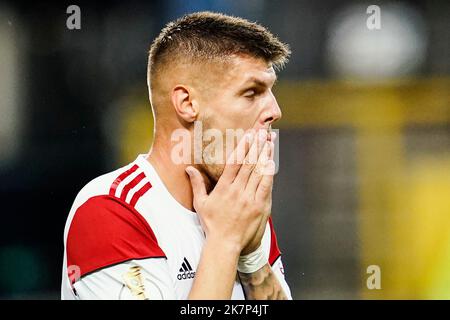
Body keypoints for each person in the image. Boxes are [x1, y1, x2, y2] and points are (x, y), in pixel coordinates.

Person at [61, 11, 292, 300]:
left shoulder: (239, 202)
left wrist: (253, 260)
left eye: (270, 91)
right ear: (187, 103)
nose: (274, 110)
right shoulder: (111, 210)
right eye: (251, 92)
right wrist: (225, 242)